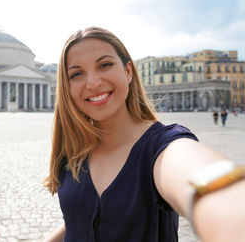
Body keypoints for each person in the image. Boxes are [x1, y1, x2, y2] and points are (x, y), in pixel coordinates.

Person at [43, 27, 245, 242]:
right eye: (76, 74)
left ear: (128, 71)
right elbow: (78, 219)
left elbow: (198, 176)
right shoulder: (74, 151)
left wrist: (227, 205)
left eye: (105, 65)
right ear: (67, 87)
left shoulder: (163, 147)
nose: (93, 83)